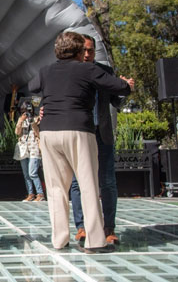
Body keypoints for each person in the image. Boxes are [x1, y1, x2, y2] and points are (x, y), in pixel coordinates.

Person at [28, 31, 133, 253]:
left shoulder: (46, 71)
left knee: (56, 188)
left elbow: (32, 86)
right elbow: (120, 88)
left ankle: (59, 240)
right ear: (77, 51)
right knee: (88, 185)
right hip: (77, 130)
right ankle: (95, 241)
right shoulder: (88, 69)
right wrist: (128, 84)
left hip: (49, 133)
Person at [70, 35, 126, 244]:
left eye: (90, 50)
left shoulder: (105, 72)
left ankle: (108, 228)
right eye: (83, 50)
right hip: (80, 134)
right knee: (77, 182)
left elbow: (116, 102)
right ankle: (82, 227)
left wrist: (125, 87)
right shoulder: (71, 72)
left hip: (102, 134)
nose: (87, 54)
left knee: (108, 182)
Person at [14, 101, 45, 202]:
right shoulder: (21, 119)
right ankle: (30, 194)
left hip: (34, 148)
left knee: (32, 173)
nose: (26, 113)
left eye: (28, 110)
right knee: (26, 174)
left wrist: (32, 122)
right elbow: (17, 132)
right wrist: (21, 121)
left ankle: (40, 194)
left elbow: (38, 133)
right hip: (23, 149)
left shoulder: (36, 118)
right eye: (24, 111)